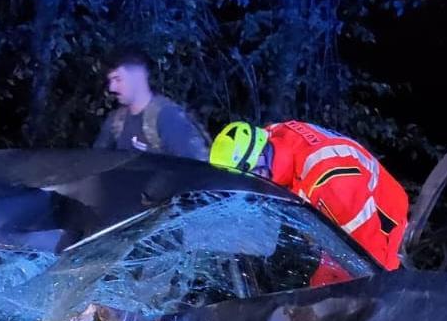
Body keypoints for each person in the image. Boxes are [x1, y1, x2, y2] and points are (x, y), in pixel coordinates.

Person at [210, 120, 409, 271]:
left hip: (383, 221)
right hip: (336, 201)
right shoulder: (273, 136)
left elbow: (370, 260)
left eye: (247, 181)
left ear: (260, 160)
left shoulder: (327, 179)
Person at [91, 48, 209, 161]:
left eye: (118, 79)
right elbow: (96, 161)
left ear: (138, 77)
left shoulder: (168, 117)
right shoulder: (116, 120)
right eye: (110, 81)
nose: (111, 87)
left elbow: (198, 171)